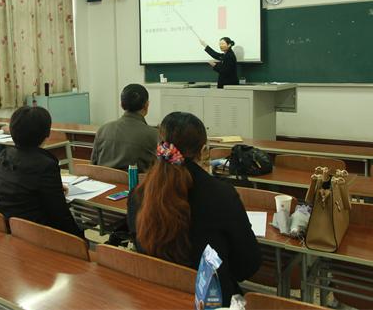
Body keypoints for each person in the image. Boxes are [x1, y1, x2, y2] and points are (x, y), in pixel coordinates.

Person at [127, 112, 261, 306]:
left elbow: (140, 245)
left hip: (156, 297)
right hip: (210, 300)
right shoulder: (222, 195)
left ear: (161, 145)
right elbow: (248, 265)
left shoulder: (138, 194)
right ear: (203, 150)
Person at [0, 106, 83, 238]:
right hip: (32, 233)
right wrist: (80, 239)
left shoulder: (5, 155)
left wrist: (54, 188)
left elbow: (21, 187)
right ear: (47, 134)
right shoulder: (45, 165)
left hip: (2, 227)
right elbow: (59, 213)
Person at [91, 84, 158, 172]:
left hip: (103, 180)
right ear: (146, 105)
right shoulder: (154, 135)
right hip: (136, 181)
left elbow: (93, 164)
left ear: (122, 105)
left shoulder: (103, 130)